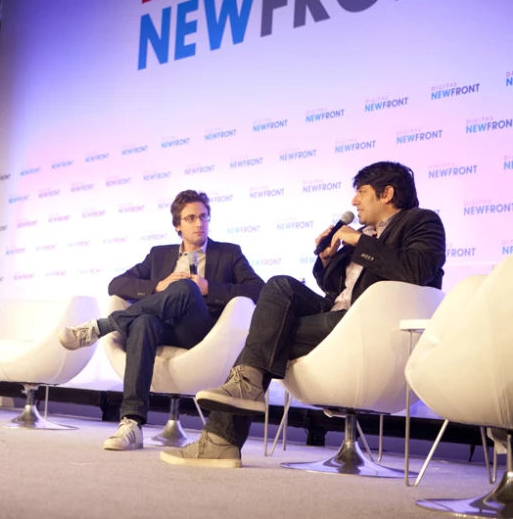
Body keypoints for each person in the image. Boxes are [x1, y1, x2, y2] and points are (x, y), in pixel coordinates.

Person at [161, 161, 446, 468]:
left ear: (387, 193)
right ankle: (241, 399)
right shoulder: (365, 233)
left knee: (267, 336)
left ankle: (222, 438)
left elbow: (416, 270)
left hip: (373, 326)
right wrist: (326, 260)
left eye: (361, 193)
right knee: (280, 285)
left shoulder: (422, 221)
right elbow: (335, 289)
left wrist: (358, 242)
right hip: (339, 316)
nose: (354, 201)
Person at [58, 190, 265, 450]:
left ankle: (103, 326)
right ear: (177, 225)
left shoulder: (229, 253)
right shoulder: (159, 255)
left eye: (203, 217)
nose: (199, 223)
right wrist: (158, 285)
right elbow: (117, 284)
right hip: (163, 328)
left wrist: (208, 287)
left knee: (188, 288)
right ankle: (131, 423)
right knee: (143, 323)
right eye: (190, 218)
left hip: (201, 334)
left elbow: (259, 289)